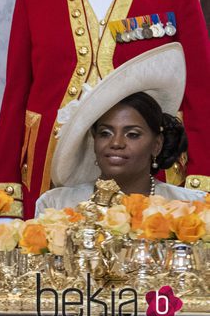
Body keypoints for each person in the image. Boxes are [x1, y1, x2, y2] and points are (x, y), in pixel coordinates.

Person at [0, 0, 210, 218]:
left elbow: (201, 93)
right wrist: (7, 192)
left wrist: (202, 179)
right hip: (53, 166)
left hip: (149, 164)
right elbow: (17, 94)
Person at [36, 43, 203, 215]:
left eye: (132, 134)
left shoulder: (192, 208)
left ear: (157, 145)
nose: (116, 143)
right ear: (94, 139)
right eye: (105, 133)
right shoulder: (56, 205)